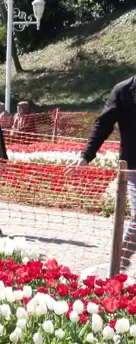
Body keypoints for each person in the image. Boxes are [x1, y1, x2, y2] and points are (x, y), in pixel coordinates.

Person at [69, 75, 136, 271]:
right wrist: (86, 156)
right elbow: (103, 124)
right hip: (133, 167)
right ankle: (120, 262)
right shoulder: (123, 91)